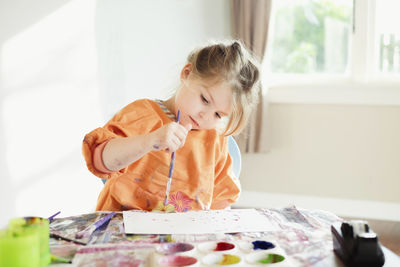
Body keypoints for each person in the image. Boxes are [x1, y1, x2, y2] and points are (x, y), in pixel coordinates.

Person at [82, 40, 260, 212]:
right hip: (122, 234)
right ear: (187, 73)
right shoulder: (142, 114)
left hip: (182, 239)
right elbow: (100, 160)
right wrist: (149, 141)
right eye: (205, 100)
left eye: (218, 115)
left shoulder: (214, 140)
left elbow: (220, 202)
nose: (204, 116)